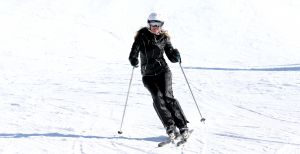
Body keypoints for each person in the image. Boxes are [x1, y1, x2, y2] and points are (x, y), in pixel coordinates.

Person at [129, 12, 189, 139]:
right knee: (157, 96)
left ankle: (182, 125)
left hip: (163, 71)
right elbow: (133, 51)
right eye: (153, 24)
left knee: (168, 96)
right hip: (148, 75)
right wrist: (133, 59)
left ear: (162, 25)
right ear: (149, 24)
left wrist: (175, 55)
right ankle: (170, 126)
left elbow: (170, 55)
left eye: (158, 24)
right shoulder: (142, 37)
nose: (156, 27)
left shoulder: (164, 38)